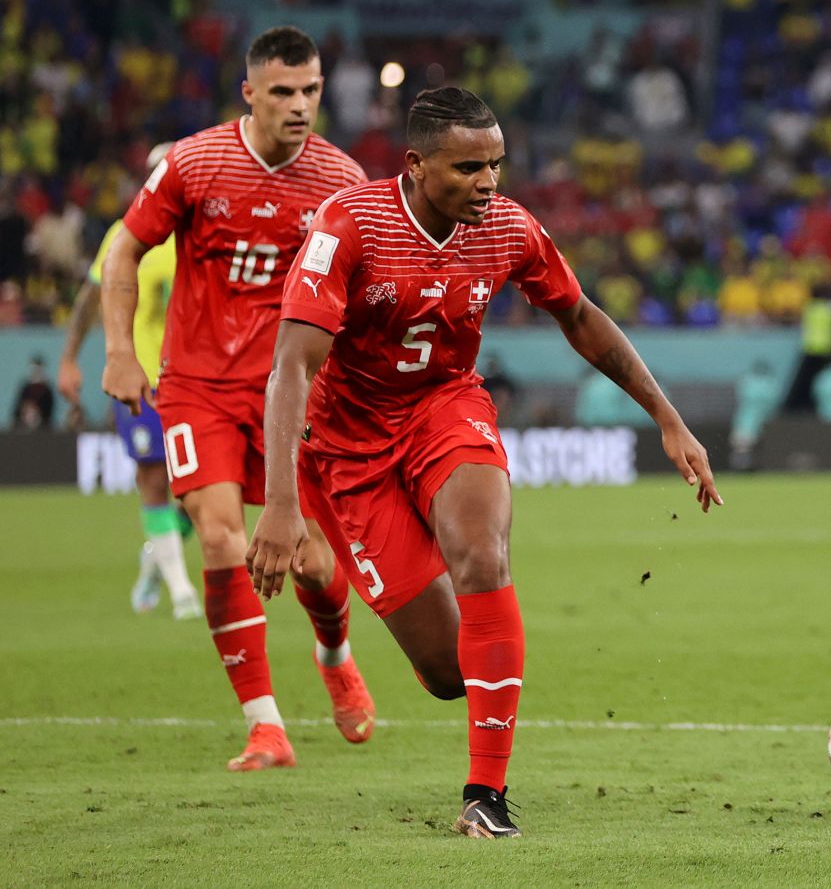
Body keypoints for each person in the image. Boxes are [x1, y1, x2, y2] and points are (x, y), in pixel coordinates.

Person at [249, 87, 722, 839]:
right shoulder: (350, 226)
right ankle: (335, 619)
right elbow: (291, 369)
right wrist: (280, 502)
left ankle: (485, 795)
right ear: (415, 166)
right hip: (347, 448)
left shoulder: (506, 227)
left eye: (497, 164)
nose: (489, 182)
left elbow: (578, 315)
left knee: (481, 552)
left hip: (446, 407)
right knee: (446, 672)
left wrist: (666, 415)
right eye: (469, 167)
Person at [100, 26, 378, 772]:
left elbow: (364, 295)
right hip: (195, 385)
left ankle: (335, 652)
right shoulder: (194, 164)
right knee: (221, 534)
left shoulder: (341, 182)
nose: (299, 105)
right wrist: (120, 351)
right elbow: (124, 248)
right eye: (283, 91)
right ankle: (265, 724)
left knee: (314, 558)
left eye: (311, 90)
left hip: (291, 392)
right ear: (248, 92)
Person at [59, 141, 200, 618]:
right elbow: (89, 297)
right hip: (141, 380)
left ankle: (155, 563)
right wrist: (70, 360)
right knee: (153, 479)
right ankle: (182, 591)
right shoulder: (129, 234)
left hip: (200, 381)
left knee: (201, 498)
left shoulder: (205, 236)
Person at [12, 356, 55, 430]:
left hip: (43, 426)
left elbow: (50, 410)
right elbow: (17, 407)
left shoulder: (47, 389)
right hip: (22, 426)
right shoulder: (26, 388)